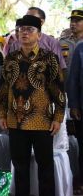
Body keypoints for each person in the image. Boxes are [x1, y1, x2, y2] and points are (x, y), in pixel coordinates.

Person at [0, 15, 65, 196]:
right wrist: (2, 114)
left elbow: (58, 90)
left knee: (45, 167)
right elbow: (3, 89)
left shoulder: (48, 58)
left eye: (29, 30)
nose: (24, 33)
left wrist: (58, 117)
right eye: (21, 29)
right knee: (19, 167)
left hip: (42, 120)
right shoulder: (10, 58)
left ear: (39, 35)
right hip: (15, 121)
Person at [66, 10, 83, 192]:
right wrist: (74, 105)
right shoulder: (79, 48)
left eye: (78, 21)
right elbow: (73, 78)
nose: (74, 23)